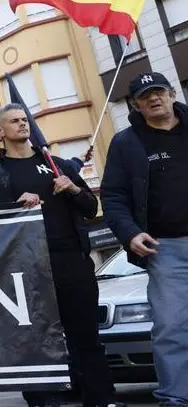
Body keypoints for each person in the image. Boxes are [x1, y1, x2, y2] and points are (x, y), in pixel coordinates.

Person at [0, 104, 116, 407]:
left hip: (70, 261)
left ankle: (102, 400)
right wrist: (12, 205)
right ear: (0, 131)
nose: (23, 125)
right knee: (33, 341)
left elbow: (92, 208)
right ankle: (44, 402)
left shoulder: (57, 164)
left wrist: (74, 189)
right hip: (23, 269)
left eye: (25, 120)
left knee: (86, 337)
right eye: (14, 121)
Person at [102, 72, 188, 406]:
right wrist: (130, 233)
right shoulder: (126, 143)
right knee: (171, 328)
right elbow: (113, 197)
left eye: (158, 92)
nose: (153, 99)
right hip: (166, 250)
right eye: (145, 95)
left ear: (170, 94)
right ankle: (177, 399)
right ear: (136, 104)